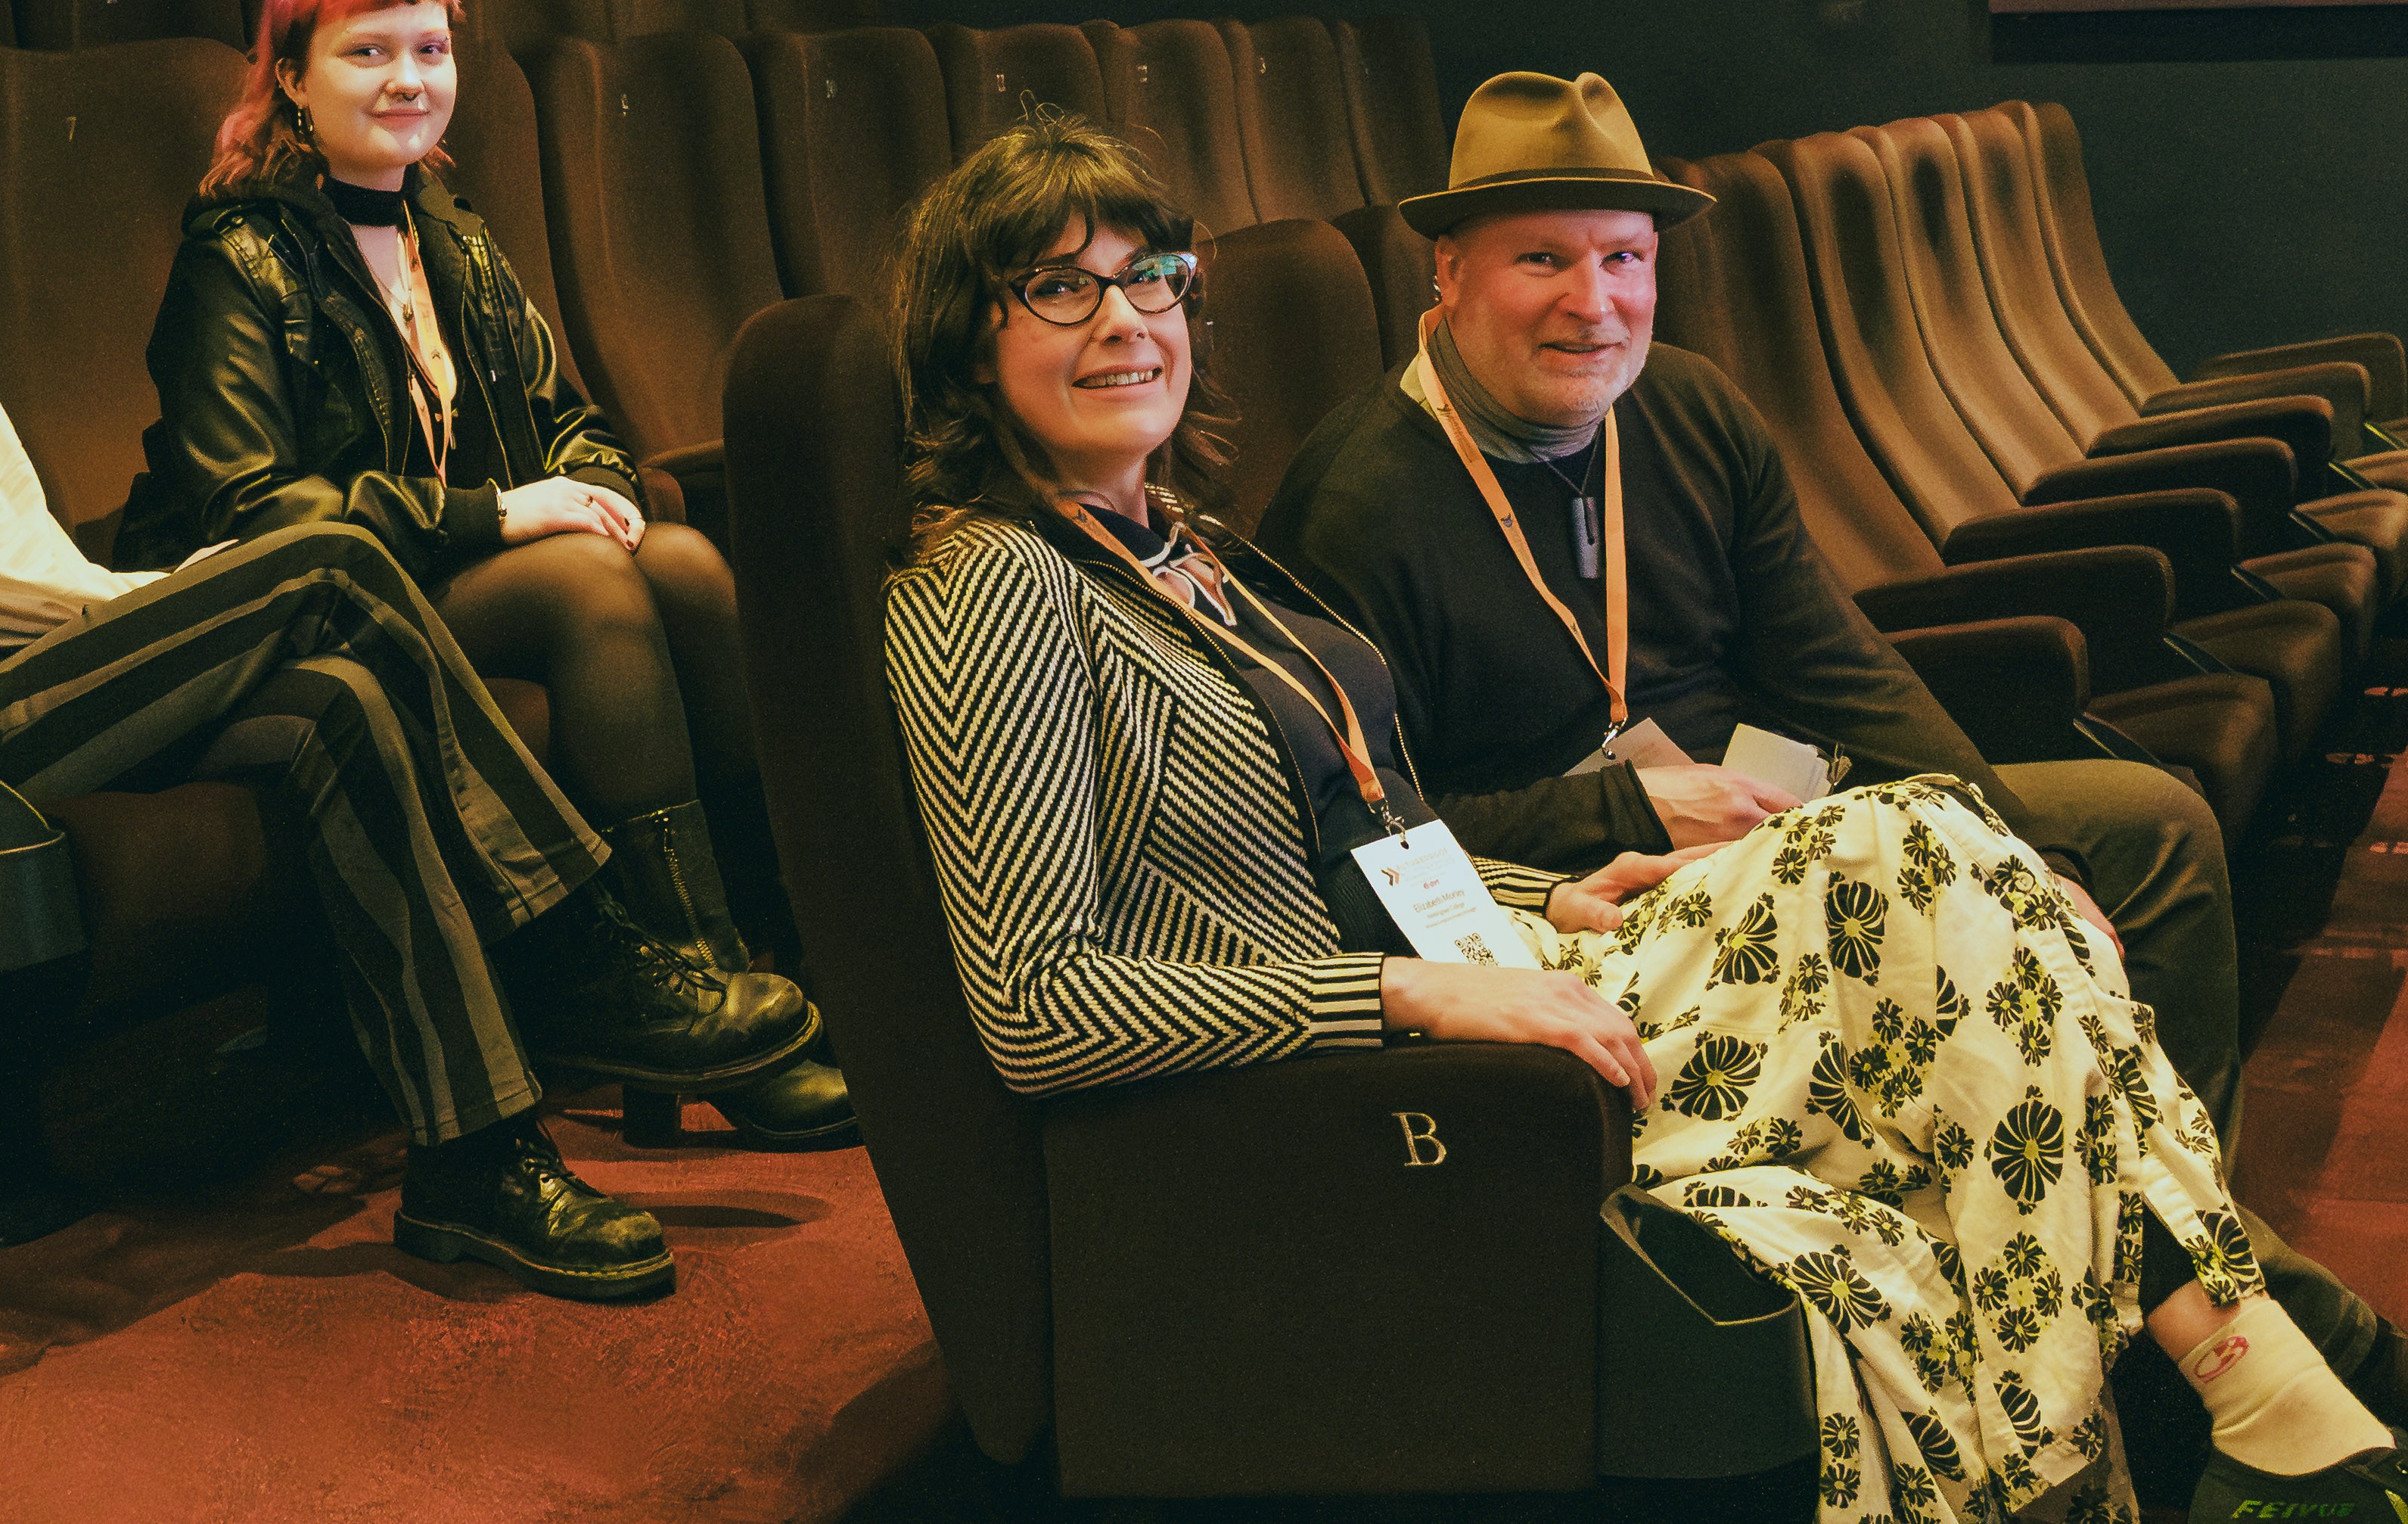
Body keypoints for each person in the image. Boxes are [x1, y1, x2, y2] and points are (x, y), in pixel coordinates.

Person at [878, 111, 2405, 1524]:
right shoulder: (995, 583)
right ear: (967, 337)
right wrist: (1416, 990)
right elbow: (1040, 1004)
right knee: (1924, 885)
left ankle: (2238, 1368)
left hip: (1500, 956)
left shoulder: (1175, 545)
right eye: (1058, 290)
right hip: (1362, 1090)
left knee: (1929, 846)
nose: (1126, 321)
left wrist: (1535, 894)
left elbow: (1350, 836)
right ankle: (2259, 1359)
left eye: (1151, 278)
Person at [0, 0, 820, 1299]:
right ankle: (577, 947)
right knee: (320, 563)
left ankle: (476, 1158)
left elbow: (6, 523)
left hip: (43, 668)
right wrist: (177, 603)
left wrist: (169, 618)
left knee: (346, 697)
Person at [1260, 70, 2405, 1420]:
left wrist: (2022, 849)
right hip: (1603, 899)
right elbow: (1383, 845)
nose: (1595, 302)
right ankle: (2256, 1326)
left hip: (1779, 813)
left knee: (2139, 831)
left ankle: (2151, 1251)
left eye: (1624, 257)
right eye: (1542, 260)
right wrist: (1625, 815)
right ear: (1447, 273)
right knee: (1978, 923)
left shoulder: (1689, 410)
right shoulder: (1356, 504)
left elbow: (1837, 665)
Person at [113, 0, 847, 1146]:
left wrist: (599, 483)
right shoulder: (235, 259)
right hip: (298, 617)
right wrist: (497, 515)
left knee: (674, 558)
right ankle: (702, 1002)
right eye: (368, 53)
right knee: (582, 584)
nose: (409, 78)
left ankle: (798, 959)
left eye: (430, 49)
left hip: (433, 581)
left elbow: (570, 420)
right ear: (291, 76)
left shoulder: (448, 232)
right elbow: (254, 513)